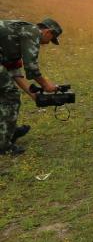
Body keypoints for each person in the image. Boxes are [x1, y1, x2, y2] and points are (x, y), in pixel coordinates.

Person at [0, 17, 63, 155]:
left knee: (5, 94)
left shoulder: (19, 33)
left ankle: (7, 129)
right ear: (48, 31)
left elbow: (14, 71)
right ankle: (3, 144)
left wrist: (33, 95)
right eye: (51, 39)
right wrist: (46, 85)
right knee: (10, 96)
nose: (47, 43)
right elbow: (31, 66)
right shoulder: (33, 32)